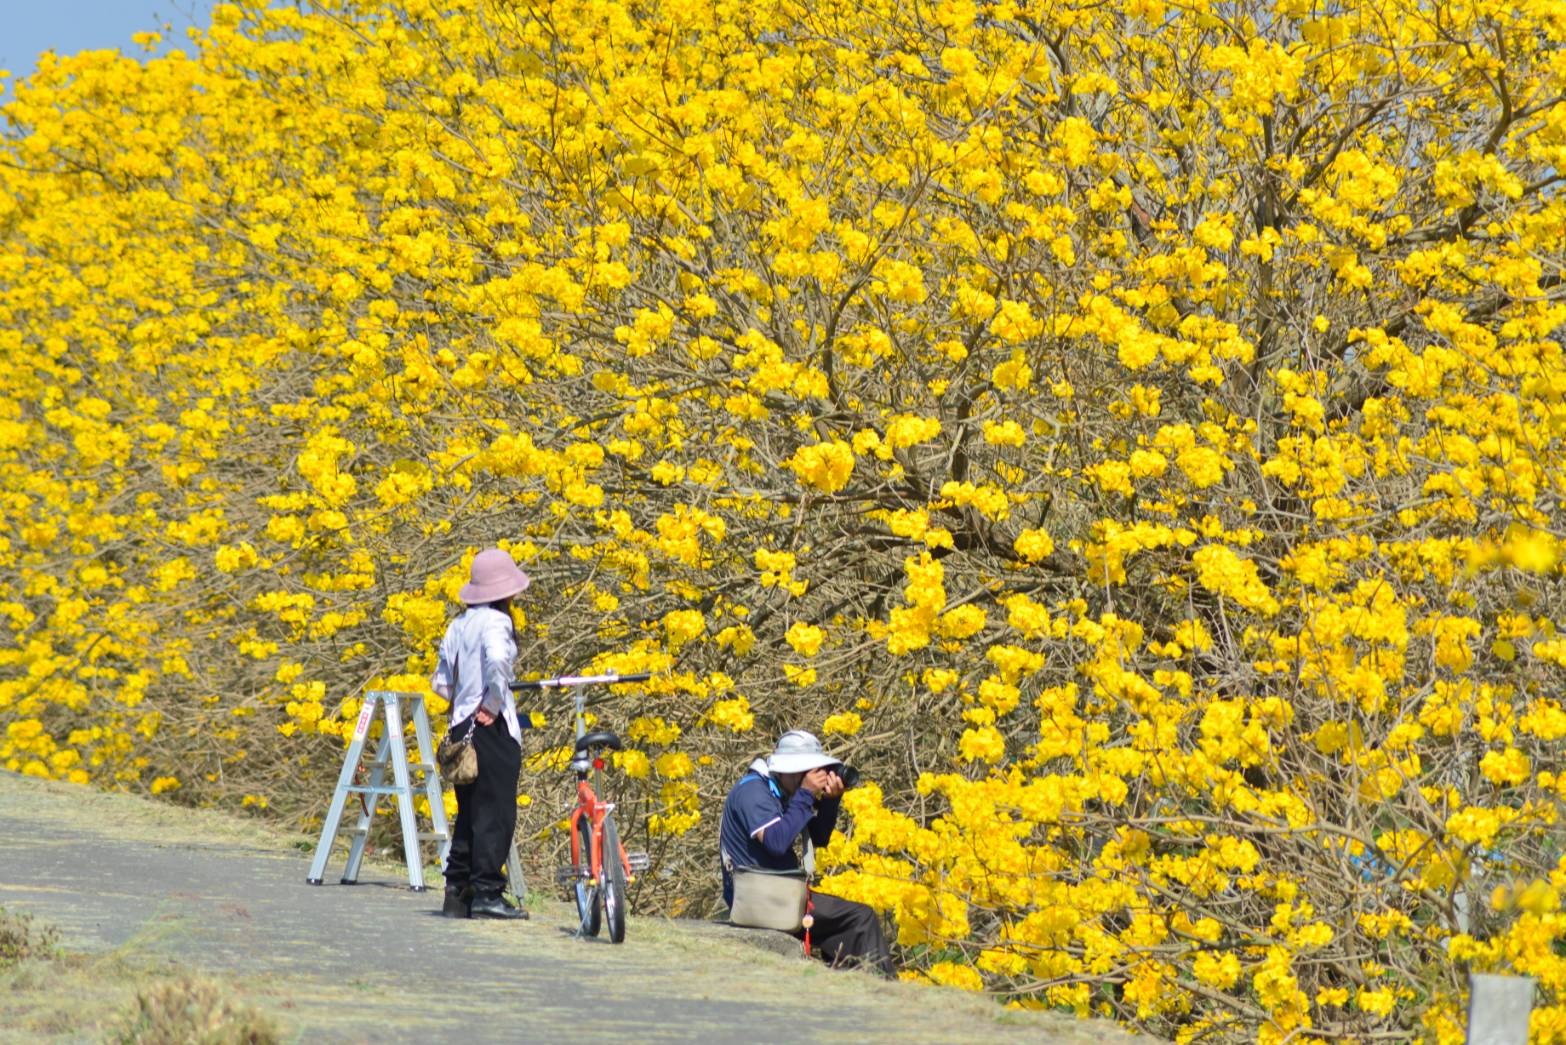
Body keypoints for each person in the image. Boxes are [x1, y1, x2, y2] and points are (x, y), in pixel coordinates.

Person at [719, 730, 895, 976]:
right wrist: (804, 795)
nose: (812, 778)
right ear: (789, 770)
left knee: (846, 926)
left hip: (778, 895)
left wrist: (831, 801)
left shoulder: (779, 792)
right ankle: (883, 990)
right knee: (860, 919)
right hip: (761, 899)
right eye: (807, 771)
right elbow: (776, 842)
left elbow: (819, 838)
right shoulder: (753, 792)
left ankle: (852, 986)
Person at [430, 547, 531, 920]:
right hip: (490, 728)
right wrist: (491, 701)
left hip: (461, 728)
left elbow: (441, 682)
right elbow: (498, 660)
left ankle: (457, 891)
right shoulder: (495, 623)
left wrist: (463, 702)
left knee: (469, 812)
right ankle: (488, 892)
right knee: (495, 813)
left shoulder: (458, 625)